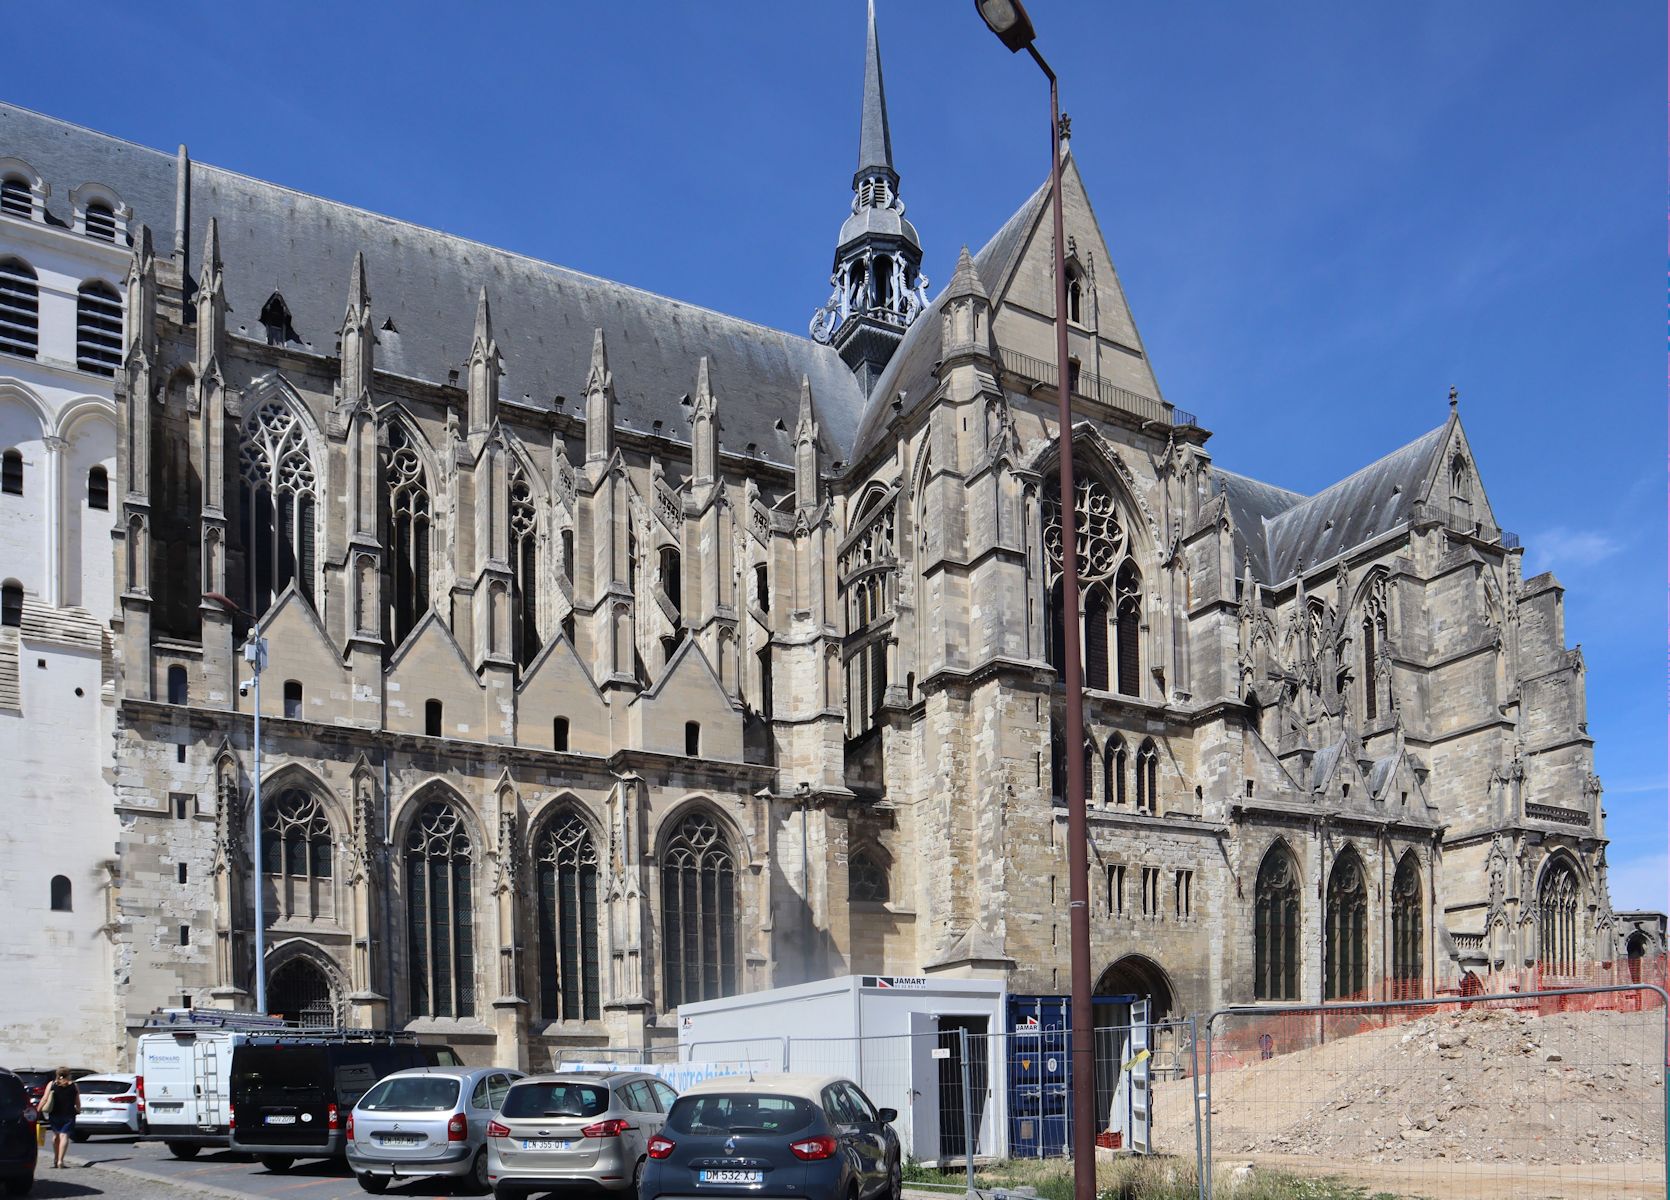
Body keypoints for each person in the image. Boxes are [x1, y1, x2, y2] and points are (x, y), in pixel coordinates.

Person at [39, 1068, 80, 1168]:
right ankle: (60, 1161)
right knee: (64, 1136)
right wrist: (78, 1109)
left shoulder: (52, 1084)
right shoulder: (74, 1085)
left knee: (56, 1136)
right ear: (68, 1075)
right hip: (69, 1114)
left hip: (54, 1114)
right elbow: (77, 1100)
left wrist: (38, 1109)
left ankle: (56, 1158)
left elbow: (44, 1098)